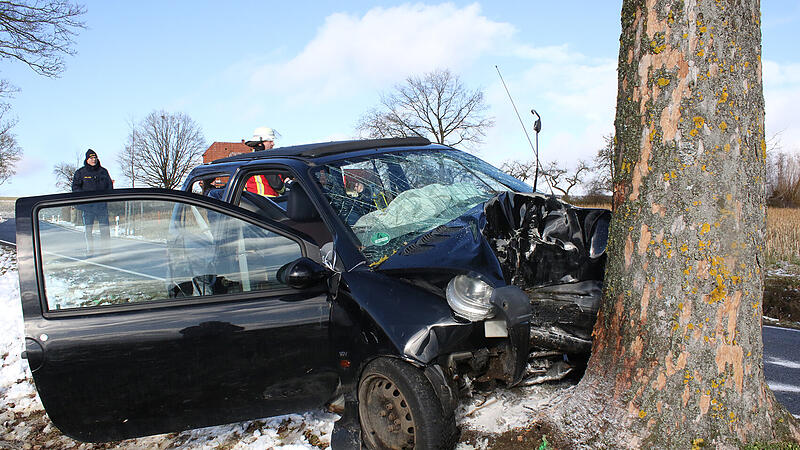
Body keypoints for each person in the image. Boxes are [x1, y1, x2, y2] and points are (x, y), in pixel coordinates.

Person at [72, 149, 113, 256]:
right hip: (87, 207)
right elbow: (75, 188)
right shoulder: (80, 173)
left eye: (95, 158)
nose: (93, 160)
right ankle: (90, 251)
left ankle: (106, 251)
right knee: (88, 230)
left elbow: (110, 187)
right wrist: (84, 199)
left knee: (104, 229)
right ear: (87, 159)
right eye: (91, 158)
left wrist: (107, 198)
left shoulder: (103, 172)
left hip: (101, 206)